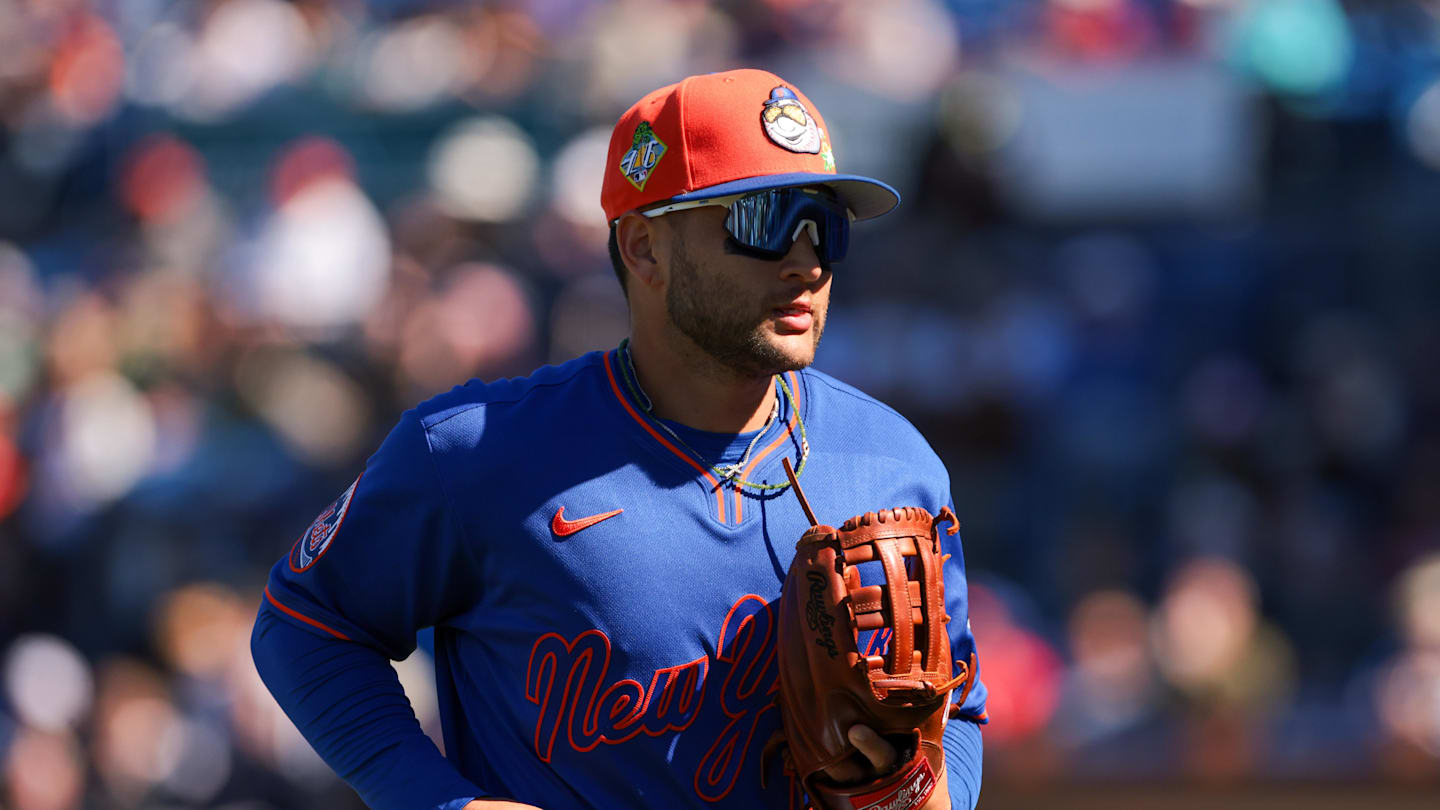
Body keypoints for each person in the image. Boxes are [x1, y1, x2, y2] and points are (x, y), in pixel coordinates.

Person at [250, 68, 987, 810]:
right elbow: (305, 625)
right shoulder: (480, 452)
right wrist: (435, 800)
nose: (807, 261)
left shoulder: (893, 463)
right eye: (766, 219)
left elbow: (961, 704)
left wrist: (928, 792)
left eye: (825, 225)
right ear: (643, 248)